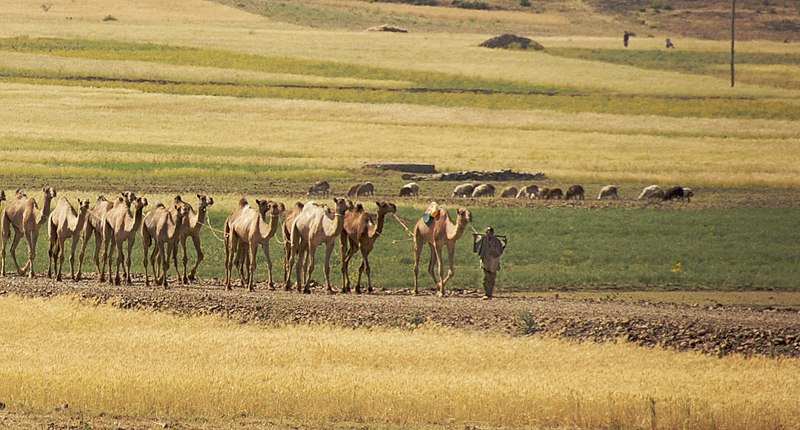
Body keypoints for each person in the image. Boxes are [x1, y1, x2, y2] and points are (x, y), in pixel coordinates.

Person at [476, 227, 505, 300]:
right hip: (485, 261)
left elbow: (500, 251)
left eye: (490, 232)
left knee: (492, 278)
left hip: (493, 261)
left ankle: (490, 293)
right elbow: (477, 248)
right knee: (486, 278)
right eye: (487, 232)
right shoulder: (483, 240)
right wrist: (475, 238)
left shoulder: (497, 241)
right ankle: (486, 293)